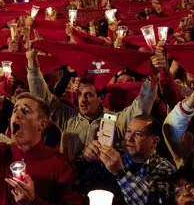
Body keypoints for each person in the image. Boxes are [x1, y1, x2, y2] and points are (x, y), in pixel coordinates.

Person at [27, 49, 157, 166]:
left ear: (100, 99)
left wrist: (152, 76)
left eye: (89, 95)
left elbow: (139, 109)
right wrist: (32, 64)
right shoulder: (68, 117)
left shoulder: (113, 119)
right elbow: (41, 99)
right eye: (80, 95)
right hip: (70, 181)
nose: (82, 100)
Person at [82, 115, 175, 205]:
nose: (129, 138)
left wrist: (120, 173)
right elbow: (86, 185)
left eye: (138, 134)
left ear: (154, 142)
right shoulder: (112, 154)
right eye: (128, 131)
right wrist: (88, 157)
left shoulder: (164, 169)